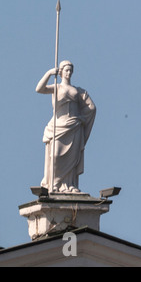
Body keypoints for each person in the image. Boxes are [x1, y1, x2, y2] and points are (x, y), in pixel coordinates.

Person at [35, 60, 96, 193]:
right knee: (55, 155)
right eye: (66, 70)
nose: (68, 73)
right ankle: (54, 184)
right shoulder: (56, 87)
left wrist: (82, 118)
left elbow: (92, 107)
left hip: (74, 126)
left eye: (70, 70)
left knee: (72, 158)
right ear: (61, 72)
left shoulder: (78, 91)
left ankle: (69, 185)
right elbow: (39, 89)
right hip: (59, 126)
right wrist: (49, 73)